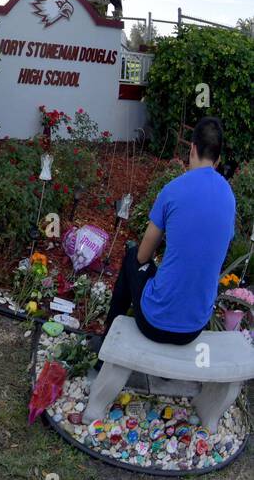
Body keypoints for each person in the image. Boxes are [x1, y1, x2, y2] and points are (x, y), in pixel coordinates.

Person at [99, 116, 235, 350]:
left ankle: (106, 347)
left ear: (192, 148)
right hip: (195, 327)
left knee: (132, 257)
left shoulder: (173, 190)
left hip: (155, 322)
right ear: (218, 159)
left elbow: (143, 255)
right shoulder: (229, 196)